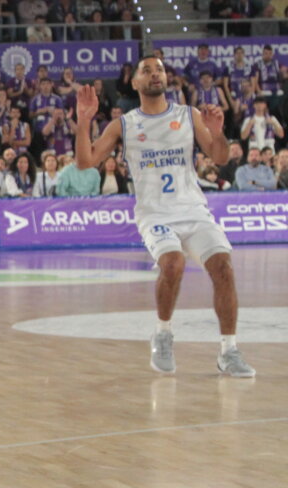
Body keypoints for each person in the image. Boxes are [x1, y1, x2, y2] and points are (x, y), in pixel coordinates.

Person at [75, 65, 254, 377]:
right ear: (135, 83)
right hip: (155, 213)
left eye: (159, 69)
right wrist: (84, 121)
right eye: (146, 70)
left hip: (193, 210)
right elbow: (85, 162)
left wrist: (219, 131)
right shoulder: (123, 125)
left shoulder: (188, 114)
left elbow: (221, 158)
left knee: (223, 267)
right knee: (172, 263)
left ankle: (229, 350)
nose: (155, 74)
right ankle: (162, 333)